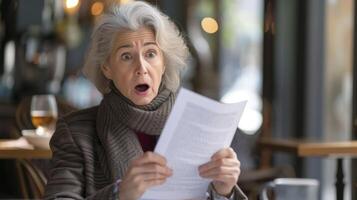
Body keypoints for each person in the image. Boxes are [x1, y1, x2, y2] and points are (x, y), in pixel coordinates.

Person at [44, 1, 247, 200]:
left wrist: (223, 192)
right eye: (126, 56)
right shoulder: (75, 133)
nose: (141, 67)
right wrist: (119, 194)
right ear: (107, 68)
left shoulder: (197, 124)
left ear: (164, 62)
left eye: (150, 54)